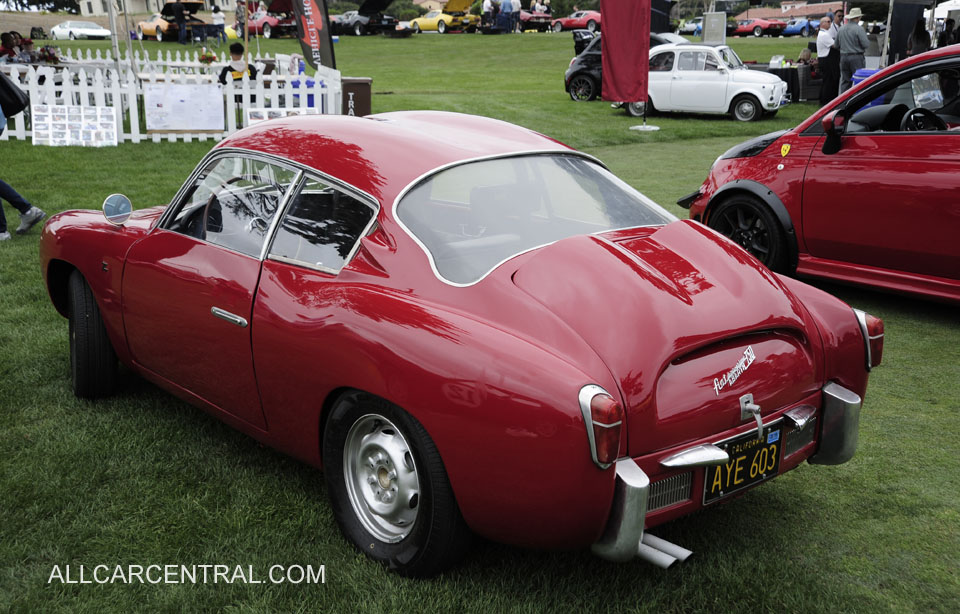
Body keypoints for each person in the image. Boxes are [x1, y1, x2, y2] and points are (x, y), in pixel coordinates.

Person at [837, 7, 869, 94]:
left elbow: (836, 45)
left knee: (845, 81)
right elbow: (866, 44)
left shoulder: (841, 29)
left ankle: (842, 101)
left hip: (843, 57)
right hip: (856, 57)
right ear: (858, 18)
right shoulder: (859, 29)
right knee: (859, 81)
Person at [817, 16, 839, 105]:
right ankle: (826, 100)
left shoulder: (823, 33)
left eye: (830, 21)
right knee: (828, 81)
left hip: (824, 59)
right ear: (822, 24)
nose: (830, 23)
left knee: (827, 80)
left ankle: (824, 99)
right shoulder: (824, 35)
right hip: (826, 60)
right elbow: (835, 45)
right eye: (828, 22)